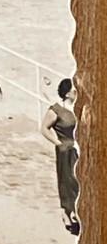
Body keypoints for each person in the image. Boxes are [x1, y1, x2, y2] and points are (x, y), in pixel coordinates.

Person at [41, 78, 80, 235]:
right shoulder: (56, 110)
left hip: (79, 148)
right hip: (65, 150)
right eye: (73, 90)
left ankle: (76, 212)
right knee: (68, 181)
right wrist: (58, 143)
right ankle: (67, 212)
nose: (76, 93)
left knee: (79, 182)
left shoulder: (78, 108)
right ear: (66, 93)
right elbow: (44, 128)